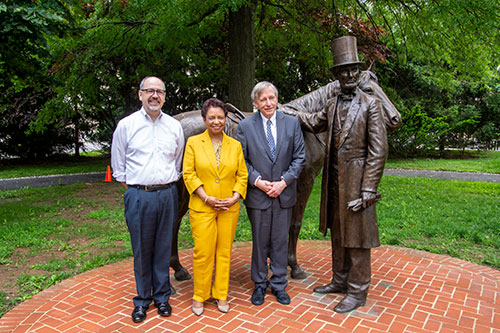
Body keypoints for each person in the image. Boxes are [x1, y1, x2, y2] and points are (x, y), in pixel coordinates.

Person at [293, 36, 388, 313]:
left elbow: (378, 151)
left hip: (358, 182)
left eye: (353, 70)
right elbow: (312, 121)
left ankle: (358, 291)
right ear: (336, 76)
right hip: (334, 182)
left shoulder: (371, 104)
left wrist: (369, 189)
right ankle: (340, 279)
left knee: (358, 238)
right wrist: (286, 111)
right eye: (343, 71)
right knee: (338, 234)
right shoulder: (333, 104)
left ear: (359, 74)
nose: (348, 75)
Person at [111, 76, 184, 323]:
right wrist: (138, 188)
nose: (155, 95)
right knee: (142, 249)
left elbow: (177, 161)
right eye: (149, 91)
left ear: (164, 96)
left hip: (167, 194)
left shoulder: (174, 126)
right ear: (140, 94)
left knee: (164, 247)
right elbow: (118, 166)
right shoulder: (126, 125)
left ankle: (162, 297)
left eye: (159, 92)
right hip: (138, 194)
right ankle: (142, 299)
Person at [237, 82, 306, 306]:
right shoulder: (245, 126)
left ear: (277, 100)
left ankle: (278, 284)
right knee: (260, 241)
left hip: (284, 194)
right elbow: (241, 160)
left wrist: (284, 182)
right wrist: (257, 181)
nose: (268, 103)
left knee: (280, 240)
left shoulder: (292, 124)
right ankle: (259, 284)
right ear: (255, 103)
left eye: (272, 98)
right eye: (263, 99)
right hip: (258, 195)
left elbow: (299, 158)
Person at [182, 98, 248, 315]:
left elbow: (242, 174)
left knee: (224, 252)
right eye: (212, 118)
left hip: (229, 207)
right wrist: (205, 196)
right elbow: (188, 173)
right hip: (203, 206)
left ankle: (221, 294)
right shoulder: (193, 143)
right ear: (204, 119)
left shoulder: (235, 145)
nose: (216, 121)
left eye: (220, 117)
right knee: (203, 252)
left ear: (225, 119)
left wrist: (235, 197)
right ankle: (200, 296)